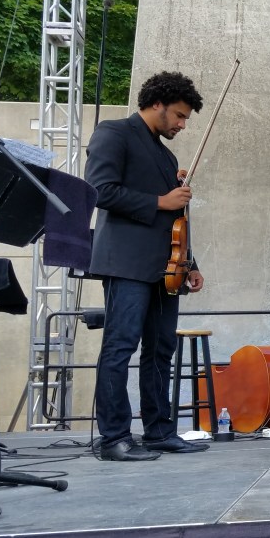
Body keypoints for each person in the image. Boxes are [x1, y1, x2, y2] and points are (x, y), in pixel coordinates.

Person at [87, 71, 209, 461]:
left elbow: (175, 219)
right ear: (157, 104)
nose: (182, 124)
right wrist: (160, 201)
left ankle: (158, 431)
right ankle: (114, 438)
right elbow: (99, 191)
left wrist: (190, 262)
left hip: (166, 267)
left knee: (161, 350)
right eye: (179, 115)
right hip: (125, 262)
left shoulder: (166, 155)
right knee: (120, 346)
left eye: (186, 118)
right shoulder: (114, 133)